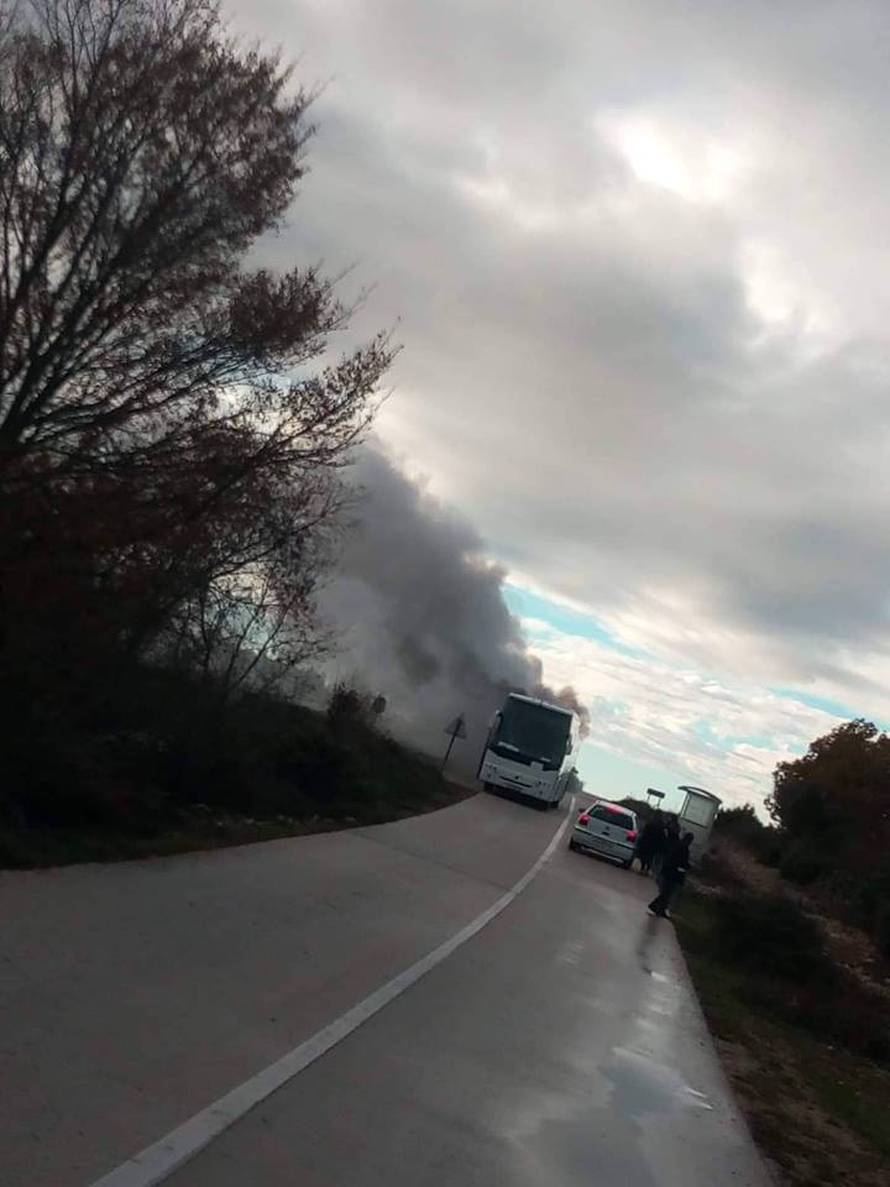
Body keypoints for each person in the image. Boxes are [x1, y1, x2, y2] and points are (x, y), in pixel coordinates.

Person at [648, 829, 693, 919]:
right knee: (667, 893)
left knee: (667, 893)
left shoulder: (679, 845)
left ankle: (660, 909)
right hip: (673, 873)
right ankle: (655, 907)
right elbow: (680, 861)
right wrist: (688, 867)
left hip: (669, 872)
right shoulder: (683, 848)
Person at [634, 810, 665, 875]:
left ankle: (643, 868)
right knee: (650, 858)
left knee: (644, 857)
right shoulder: (661, 825)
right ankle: (646, 869)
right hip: (654, 844)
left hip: (647, 843)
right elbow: (662, 836)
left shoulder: (651, 823)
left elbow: (644, 832)